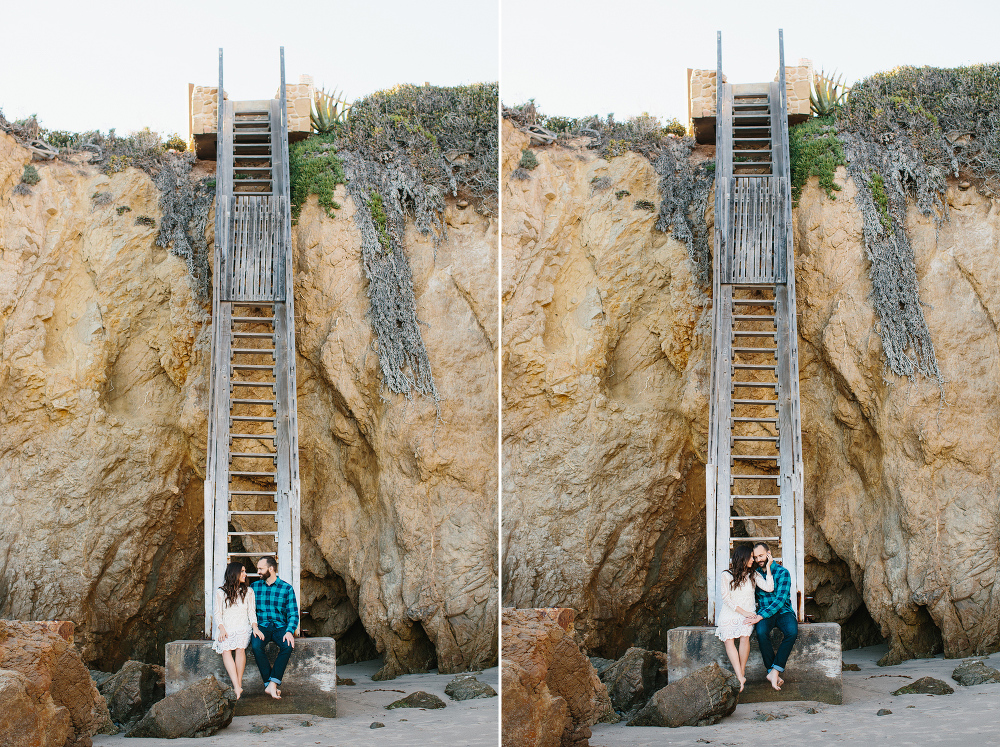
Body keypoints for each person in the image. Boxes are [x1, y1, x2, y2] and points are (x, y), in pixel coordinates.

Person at [715, 543, 774, 692]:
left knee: (744, 637)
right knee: (728, 640)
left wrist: (769, 568)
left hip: (748, 613)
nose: (753, 560)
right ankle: (740, 676)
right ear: (742, 558)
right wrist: (743, 612)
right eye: (751, 558)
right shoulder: (726, 575)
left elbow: (769, 587)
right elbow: (726, 599)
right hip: (730, 612)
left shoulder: (753, 575)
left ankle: (741, 674)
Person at [250, 555, 299, 700]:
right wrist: (254, 628)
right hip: (262, 626)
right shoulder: (254, 587)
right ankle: (271, 684)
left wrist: (289, 631)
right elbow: (249, 611)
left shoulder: (286, 588)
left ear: (271, 569)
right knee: (256, 646)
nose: (258, 571)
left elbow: (293, 614)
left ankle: (271, 684)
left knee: (288, 646)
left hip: (280, 627)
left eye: (261, 568)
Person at [212, 561, 261, 700]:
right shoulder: (220, 592)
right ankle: (237, 685)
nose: (245, 574)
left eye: (245, 571)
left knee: (240, 649)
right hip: (226, 626)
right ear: (234, 573)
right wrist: (221, 629)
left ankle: (237, 685)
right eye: (243, 571)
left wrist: (255, 627)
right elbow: (217, 614)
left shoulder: (249, 591)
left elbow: (252, 613)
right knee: (225, 649)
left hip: (242, 626)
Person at [752, 542, 797, 691]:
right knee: (761, 632)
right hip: (765, 612)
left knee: (792, 632)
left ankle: (774, 671)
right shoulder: (756, 574)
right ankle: (772, 672)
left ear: (769, 554)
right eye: (756, 557)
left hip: (783, 611)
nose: (759, 559)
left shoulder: (783, 572)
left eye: (761, 555)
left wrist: (760, 616)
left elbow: (780, 600)